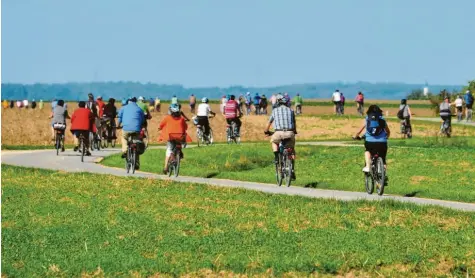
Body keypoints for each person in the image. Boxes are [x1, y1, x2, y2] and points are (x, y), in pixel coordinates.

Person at [264, 94, 297, 180]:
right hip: (290, 132)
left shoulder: (275, 111)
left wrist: (266, 131)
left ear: (278, 103)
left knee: (274, 142)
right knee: (292, 150)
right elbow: (294, 124)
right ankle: (292, 170)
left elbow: (269, 123)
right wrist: (294, 131)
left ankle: (276, 157)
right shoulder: (291, 111)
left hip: (278, 132)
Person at [353, 105, 391, 181]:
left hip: (370, 141)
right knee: (383, 159)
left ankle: (367, 166)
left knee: (367, 150)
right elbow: (388, 131)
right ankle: (383, 175)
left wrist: (355, 136)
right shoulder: (382, 119)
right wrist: (386, 137)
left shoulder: (367, 119)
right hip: (382, 142)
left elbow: (359, 131)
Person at [158, 104, 189, 174]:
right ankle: (179, 153)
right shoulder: (181, 119)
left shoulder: (167, 118)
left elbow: (161, 125)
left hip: (171, 137)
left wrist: (160, 128)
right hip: (180, 137)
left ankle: (165, 167)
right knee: (179, 144)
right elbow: (185, 127)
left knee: (169, 149)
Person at [117, 97, 145, 168]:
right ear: (136, 102)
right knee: (137, 143)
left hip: (126, 129)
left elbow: (119, 117)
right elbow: (142, 120)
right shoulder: (139, 109)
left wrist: (118, 125)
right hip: (136, 130)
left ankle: (125, 151)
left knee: (124, 137)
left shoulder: (123, 108)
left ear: (128, 101)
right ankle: (137, 163)